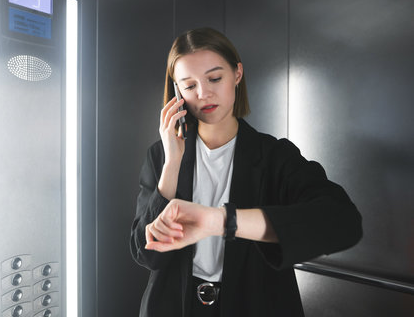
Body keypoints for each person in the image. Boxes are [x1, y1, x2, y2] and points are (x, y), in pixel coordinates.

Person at [129, 27, 363, 317]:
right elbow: (145, 252)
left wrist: (223, 221)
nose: (204, 94)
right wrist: (172, 163)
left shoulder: (275, 156)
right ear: (177, 91)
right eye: (189, 86)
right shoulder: (161, 155)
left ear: (237, 74)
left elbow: (344, 222)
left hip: (254, 304)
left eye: (215, 78)